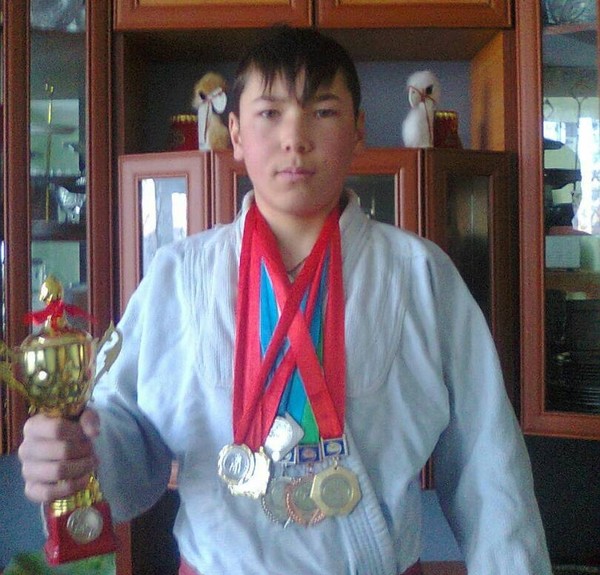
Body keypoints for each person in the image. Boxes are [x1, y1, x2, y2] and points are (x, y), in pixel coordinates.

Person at [18, 26, 552, 575]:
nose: (295, 138)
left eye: (323, 111)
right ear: (235, 134)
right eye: (270, 113)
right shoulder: (178, 274)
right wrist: (77, 456)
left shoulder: (420, 273)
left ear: (358, 131)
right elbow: (127, 437)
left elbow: (489, 464)